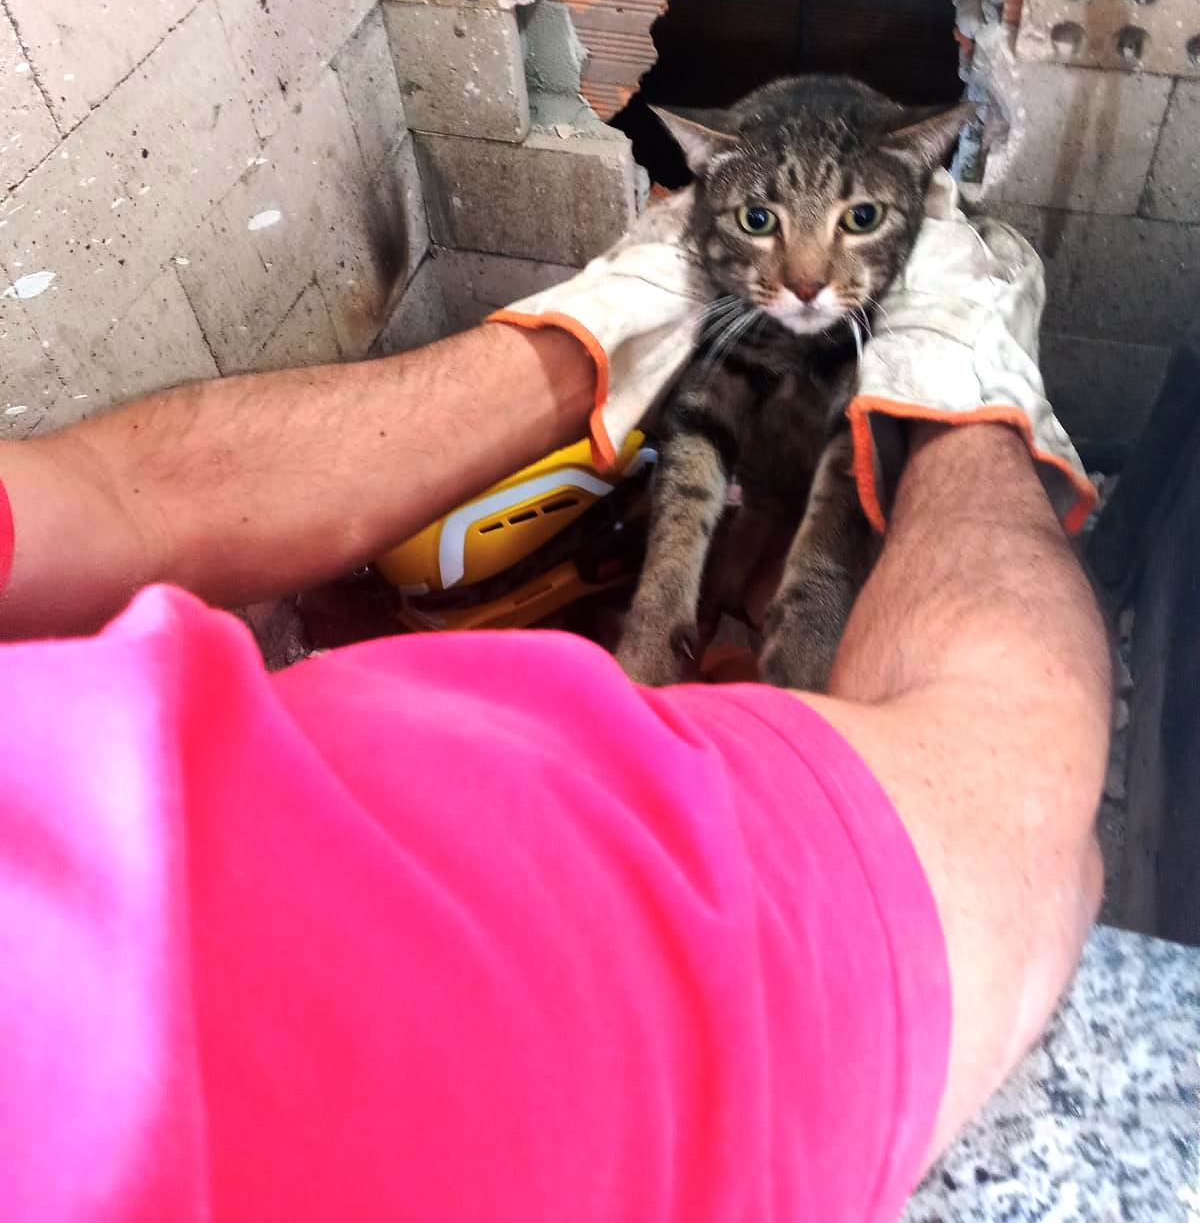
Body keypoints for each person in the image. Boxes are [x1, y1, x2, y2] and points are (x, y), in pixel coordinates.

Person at [0, 177, 1109, 1223]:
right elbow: (1006, 792)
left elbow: (110, 499)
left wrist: (588, 334)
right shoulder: (172, 1086)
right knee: (1017, 762)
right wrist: (963, 392)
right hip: (451, 938)